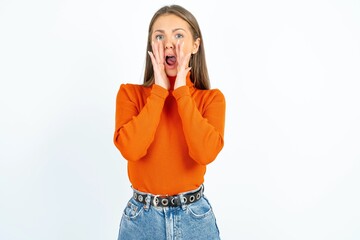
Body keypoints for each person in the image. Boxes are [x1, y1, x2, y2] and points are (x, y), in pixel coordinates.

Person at [113, 4, 226, 240]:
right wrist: (159, 91)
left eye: (178, 35)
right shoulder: (130, 95)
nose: (168, 43)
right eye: (159, 36)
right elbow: (131, 149)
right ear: (151, 46)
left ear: (195, 45)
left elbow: (204, 153)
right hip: (141, 221)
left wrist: (182, 91)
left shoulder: (211, 100)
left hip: (194, 219)